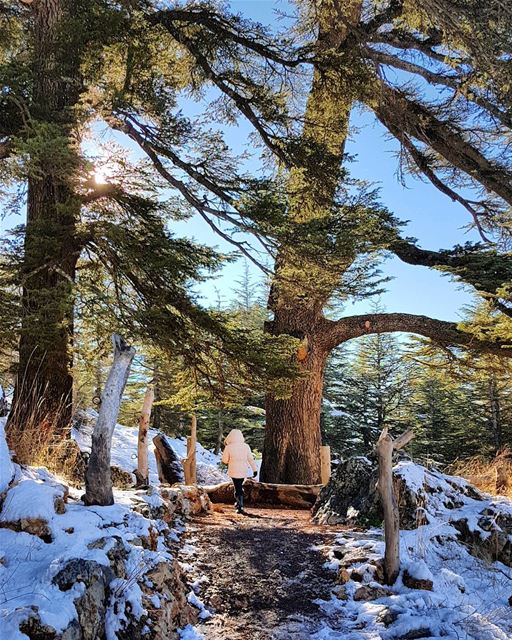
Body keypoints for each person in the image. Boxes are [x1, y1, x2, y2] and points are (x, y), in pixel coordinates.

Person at [222, 429, 258, 514]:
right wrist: (255, 470)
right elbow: (250, 459)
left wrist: (230, 461)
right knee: (238, 486)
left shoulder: (229, 447)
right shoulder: (246, 446)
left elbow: (224, 460)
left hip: (233, 470)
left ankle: (240, 505)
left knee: (237, 487)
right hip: (243, 470)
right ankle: (239, 503)